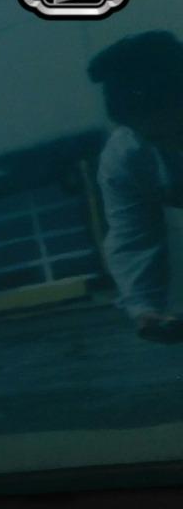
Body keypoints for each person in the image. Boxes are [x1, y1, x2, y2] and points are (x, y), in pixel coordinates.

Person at [88, 31, 183, 341]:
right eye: (157, 138)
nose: (175, 144)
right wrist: (144, 307)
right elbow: (133, 236)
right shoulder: (126, 159)